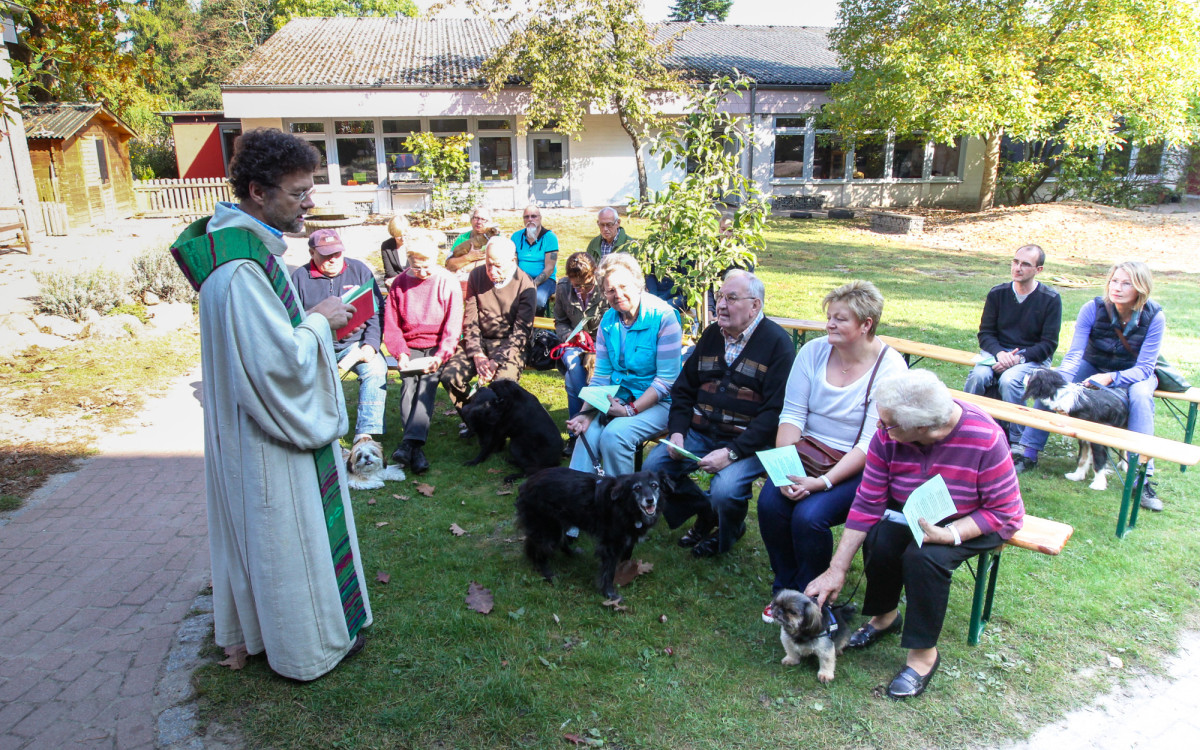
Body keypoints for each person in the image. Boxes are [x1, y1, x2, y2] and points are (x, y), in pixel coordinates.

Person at [169, 127, 371, 680]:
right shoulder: (239, 272)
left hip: (254, 425)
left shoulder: (245, 255)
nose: (311, 204)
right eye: (299, 192)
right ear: (258, 192)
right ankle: (306, 648)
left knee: (282, 540)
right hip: (268, 438)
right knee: (288, 539)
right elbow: (275, 368)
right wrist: (318, 321)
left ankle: (274, 633)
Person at [806, 369, 1024, 700]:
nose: (879, 429)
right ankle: (885, 618)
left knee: (925, 557)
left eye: (888, 424)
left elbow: (1005, 511)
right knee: (878, 537)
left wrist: (950, 534)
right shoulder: (889, 435)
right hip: (917, 510)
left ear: (922, 428)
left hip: (976, 520)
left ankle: (923, 655)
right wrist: (836, 567)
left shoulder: (985, 437)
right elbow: (868, 501)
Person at [757, 281, 908, 593]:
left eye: (840, 318)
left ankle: (810, 594)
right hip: (805, 453)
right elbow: (792, 414)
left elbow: (871, 444)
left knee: (809, 516)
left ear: (866, 324)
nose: (829, 324)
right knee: (771, 503)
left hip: (857, 464)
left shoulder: (890, 367)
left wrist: (822, 483)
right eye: (829, 316)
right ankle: (784, 585)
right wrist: (785, 468)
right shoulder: (813, 352)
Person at [643, 270, 795, 557]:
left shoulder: (778, 345)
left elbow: (774, 413)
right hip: (700, 433)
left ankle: (730, 528)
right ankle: (706, 510)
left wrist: (733, 453)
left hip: (748, 443)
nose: (721, 305)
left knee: (725, 490)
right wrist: (677, 432)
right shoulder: (713, 334)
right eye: (720, 297)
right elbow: (684, 389)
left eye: (731, 298)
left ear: (755, 306)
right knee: (655, 469)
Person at [1014, 260, 1166, 510]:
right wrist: (1061, 377)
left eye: (1126, 283)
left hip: (1135, 372)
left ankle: (1141, 475)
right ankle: (1028, 452)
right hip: (1093, 363)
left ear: (1140, 287)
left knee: (1140, 397)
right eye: (1114, 281)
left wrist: (1111, 378)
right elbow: (1075, 354)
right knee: (1050, 384)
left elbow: (1145, 368)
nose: (1116, 287)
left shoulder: (1154, 316)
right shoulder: (1092, 308)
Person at [566, 253, 682, 476]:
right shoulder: (608, 322)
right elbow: (601, 375)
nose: (617, 294)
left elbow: (666, 381)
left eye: (623, 286)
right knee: (586, 432)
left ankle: (622, 502)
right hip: (618, 399)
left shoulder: (664, 318)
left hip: (660, 403)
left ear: (638, 284)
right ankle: (579, 499)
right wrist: (584, 414)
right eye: (610, 290)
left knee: (615, 436)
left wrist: (630, 410)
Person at [290, 228, 388, 443]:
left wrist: (370, 344)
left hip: (355, 344)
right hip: (317, 347)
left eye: (337, 253)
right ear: (311, 253)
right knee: (308, 379)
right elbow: (291, 320)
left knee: (376, 369)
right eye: (326, 255)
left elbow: (376, 310)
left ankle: (366, 434)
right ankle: (321, 433)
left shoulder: (359, 270)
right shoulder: (299, 278)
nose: (333, 260)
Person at [963, 244, 1062, 445]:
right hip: (998, 353)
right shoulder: (997, 293)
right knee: (979, 376)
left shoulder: (1050, 299)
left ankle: (1017, 441)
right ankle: (966, 425)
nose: (1018, 268)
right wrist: (1000, 354)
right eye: (1015, 262)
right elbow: (986, 334)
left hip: (1031, 357)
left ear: (1038, 270)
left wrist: (1017, 358)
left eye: (1025, 264)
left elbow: (1048, 344)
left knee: (1009, 380)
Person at [382, 234, 463, 474]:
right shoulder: (398, 283)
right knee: (408, 386)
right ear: (408, 261)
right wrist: (401, 353)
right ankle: (415, 449)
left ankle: (408, 444)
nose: (422, 272)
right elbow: (392, 324)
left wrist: (441, 355)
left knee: (427, 384)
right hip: (411, 346)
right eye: (416, 267)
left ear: (436, 260)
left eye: (427, 266)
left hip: (437, 346)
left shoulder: (447, 281)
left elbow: (453, 325)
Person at [440, 236, 537, 424]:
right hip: (480, 341)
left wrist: (497, 360)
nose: (492, 271)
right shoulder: (476, 276)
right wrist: (476, 353)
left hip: (510, 345)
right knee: (450, 376)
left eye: (498, 265)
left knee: (502, 385)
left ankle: (495, 429)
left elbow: (520, 333)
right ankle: (472, 416)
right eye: (488, 264)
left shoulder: (525, 285)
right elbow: (470, 319)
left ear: (512, 261)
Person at [554, 251, 608, 423]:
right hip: (574, 343)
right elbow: (560, 322)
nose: (583, 290)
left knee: (572, 379)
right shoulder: (563, 288)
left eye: (588, 285)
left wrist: (595, 348)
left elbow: (613, 324)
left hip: (603, 342)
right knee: (572, 363)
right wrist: (570, 335)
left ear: (595, 274)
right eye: (577, 286)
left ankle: (577, 427)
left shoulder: (605, 288)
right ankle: (589, 416)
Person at [512, 204, 559, 313]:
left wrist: (531, 285)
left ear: (540, 218)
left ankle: (536, 328)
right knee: (507, 297)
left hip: (545, 280)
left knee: (536, 300)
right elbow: (513, 264)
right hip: (521, 278)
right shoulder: (516, 237)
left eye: (534, 216)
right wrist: (519, 282)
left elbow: (549, 268)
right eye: (526, 217)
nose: (530, 219)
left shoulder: (550, 237)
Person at [445, 205, 499, 296]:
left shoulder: (495, 238)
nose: (479, 222)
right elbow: (449, 265)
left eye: (483, 219)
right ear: (471, 220)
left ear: (489, 222)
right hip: (463, 283)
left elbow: (495, 262)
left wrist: (464, 267)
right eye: (476, 218)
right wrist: (469, 257)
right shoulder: (462, 238)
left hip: (486, 283)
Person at [380, 214, 409, 283]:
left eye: (405, 235)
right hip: (396, 280)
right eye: (399, 236)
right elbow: (389, 271)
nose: (403, 239)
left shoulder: (415, 243)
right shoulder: (386, 246)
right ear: (393, 234)